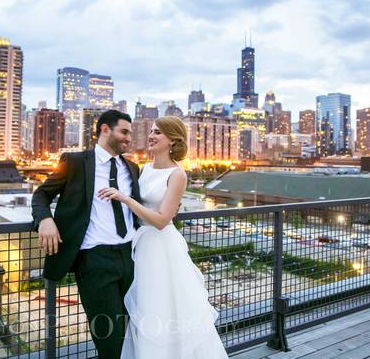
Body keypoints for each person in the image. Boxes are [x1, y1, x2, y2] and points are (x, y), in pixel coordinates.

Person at [98, 116, 228, 359]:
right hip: (140, 244)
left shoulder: (177, 174)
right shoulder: (143, 169)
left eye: (158, 132)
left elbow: (160, 220)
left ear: (172, 140)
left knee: (163, 308)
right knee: (145, 310)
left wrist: (125, 198)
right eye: (152, 131)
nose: (151, 136)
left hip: (161, 248)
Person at [31, 109, 140, 359]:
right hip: (94, 261)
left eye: (130, 133)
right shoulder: (75, 162)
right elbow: (41, 194)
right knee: (110, 341)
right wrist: (45, 220)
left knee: (136, 331)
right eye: (124, 132)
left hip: (132, 257)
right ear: (105, 130)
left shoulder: (133, 168)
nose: (129, 138)